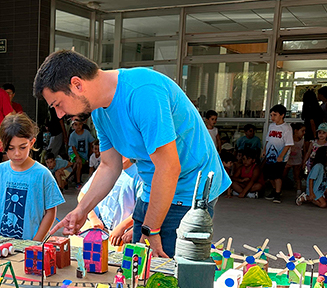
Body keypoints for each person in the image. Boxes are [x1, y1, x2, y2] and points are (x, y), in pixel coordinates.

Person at [34, 51, 229, 258]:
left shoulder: (143, 92)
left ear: (77, 84)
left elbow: (169, 167)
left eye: (57, 104)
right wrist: (82, 210)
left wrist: (152, 229)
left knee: (166, 276)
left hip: (189, 191)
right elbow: (109, 166)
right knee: (137, 269)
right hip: (150, 188)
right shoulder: (100, 111)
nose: (59, 114)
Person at [0, 113, 64, 241]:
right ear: (3, 146)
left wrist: (35, 243)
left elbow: (51, 212)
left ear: (32, 142)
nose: (17, 153)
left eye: (22, 147)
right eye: (11, 148)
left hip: (28, 245)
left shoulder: (43, 174)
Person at [79, 160, 139, 245]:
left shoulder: (139, 175)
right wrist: (93, 218)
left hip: (122, 236)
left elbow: (144, 210)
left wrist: (122, 227)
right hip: (98, 230)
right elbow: (82, 195)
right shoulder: (104, 170)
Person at [260, 104, 293, 203]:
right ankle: (274, 190)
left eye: (275, 115)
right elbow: (268, 140)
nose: (272, 117)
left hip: (280, 157)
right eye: (271, 115)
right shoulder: (271, 126)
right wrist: (265, 150)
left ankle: (278, 194)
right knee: (269, 175)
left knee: (277, 175)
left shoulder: (286, 128)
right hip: (270, 155)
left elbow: (288, 144)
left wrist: (281, 155)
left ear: (282, 115)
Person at [67, 117, 95, 186]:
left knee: (77, 165)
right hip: (74, 153)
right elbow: (73, 147)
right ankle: (78, 182)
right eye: (76, 125)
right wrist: (77, 156)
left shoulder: (86, 133)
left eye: (80, 124)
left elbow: (92, 141)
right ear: (73, 126)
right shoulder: (72, 135)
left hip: (83, 154)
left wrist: (90, 151)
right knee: (78, 163)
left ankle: (69, 177)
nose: (78, 126)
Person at [284, 123, 306, 192]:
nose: (304, 133)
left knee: (297, 176)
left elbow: (304, 152)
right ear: (296, 131)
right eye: (302, 131)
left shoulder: (302, 141)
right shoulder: (289, 140)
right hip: (288, 160)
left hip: (297, 161)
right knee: (283, 175)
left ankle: (299, 191)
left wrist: (303, 162)